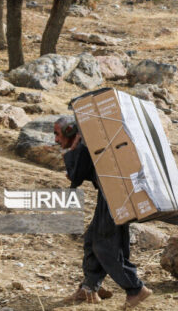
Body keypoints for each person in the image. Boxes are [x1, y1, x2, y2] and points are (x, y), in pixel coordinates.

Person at [55, 115, 152, 308]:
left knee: (104, 245)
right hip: (111, 192)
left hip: (115, 194)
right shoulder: (90, 141)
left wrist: (70, 150)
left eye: (57, 133)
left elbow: (75, 177)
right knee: (92, 239)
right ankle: (89, 288)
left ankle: (135, 289)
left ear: (69, 131)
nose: (56, 139)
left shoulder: (84, 146)